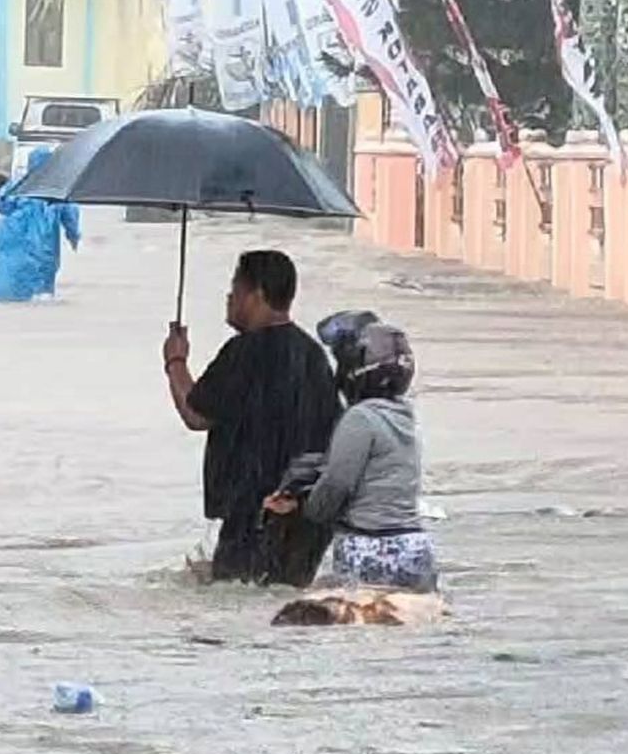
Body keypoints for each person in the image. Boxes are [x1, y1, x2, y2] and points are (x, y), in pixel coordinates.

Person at [162, 251, 341, 586]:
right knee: (284, 613)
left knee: (233, 614)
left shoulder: (243, 352)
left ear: (256, 294)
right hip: (307, 516)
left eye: (235, 289)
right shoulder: (313, 355)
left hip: (252, 514)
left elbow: (196, 414)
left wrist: (176, 361)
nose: (229, 299)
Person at [262, 313, 437, 592]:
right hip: (415, 549)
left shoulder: (359, 418)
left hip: (369, 548)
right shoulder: (404, 418)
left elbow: (336, 485)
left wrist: (305, 507)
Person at [0, 147, 81, 302]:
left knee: (7, 279)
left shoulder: (17, 184)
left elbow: (0, 206)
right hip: (43, 240)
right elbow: (70, 215)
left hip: (10, 234)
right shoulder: (59, 189)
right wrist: (74, 236)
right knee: (41, 281)